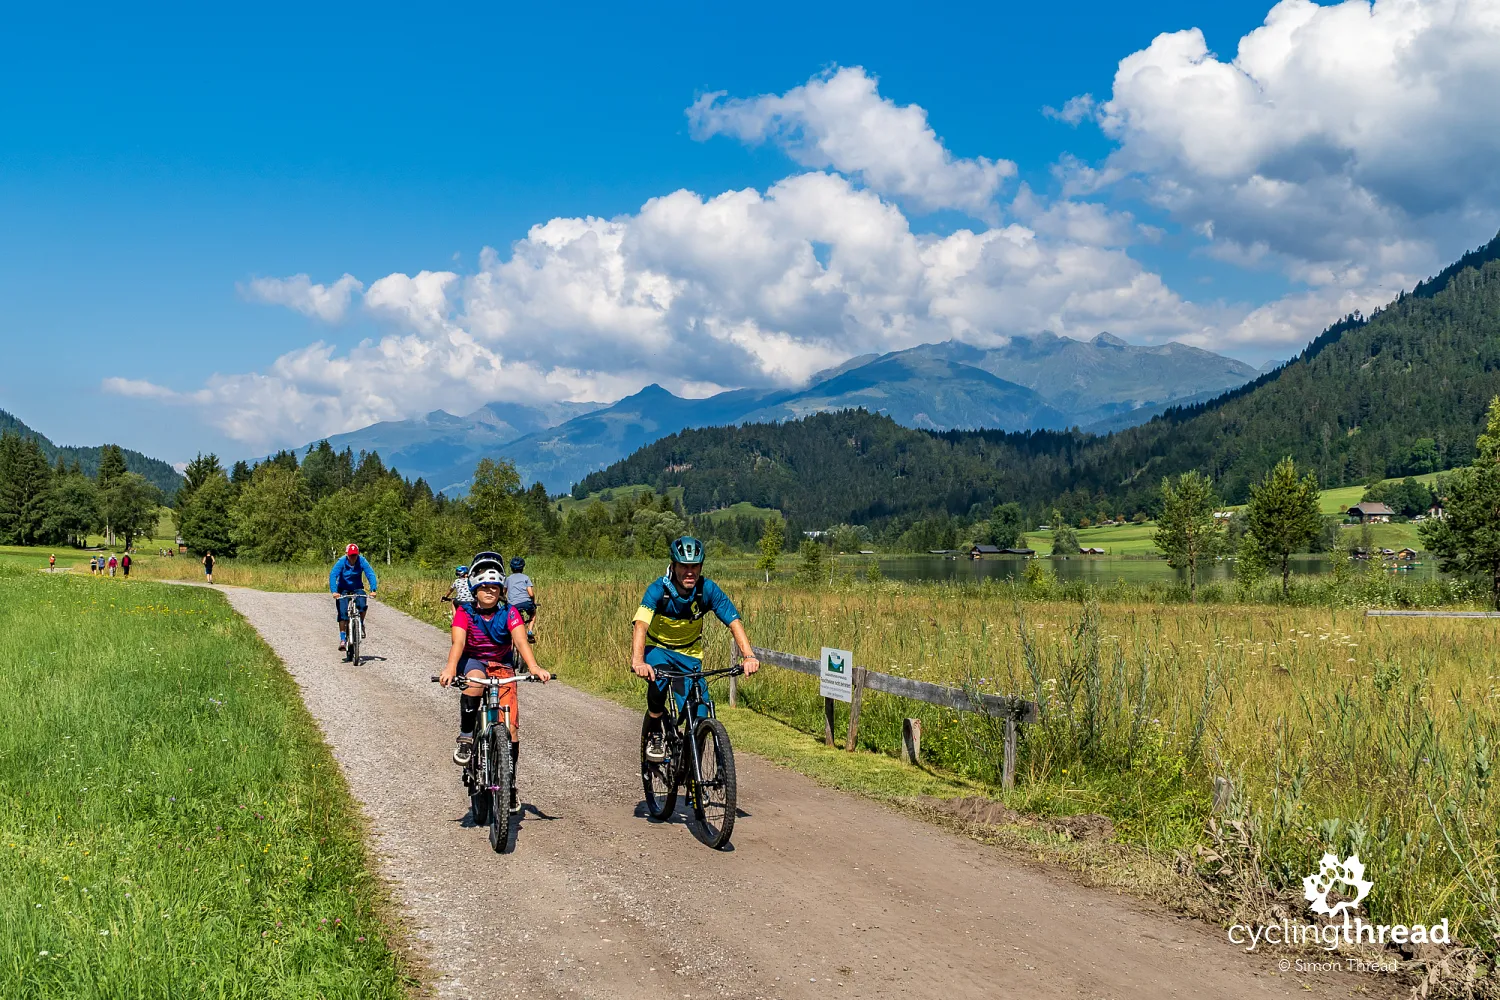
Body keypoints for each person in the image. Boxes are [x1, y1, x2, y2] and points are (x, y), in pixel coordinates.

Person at [630, 535, 759, 763]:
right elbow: (641, 625)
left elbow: (733, 622)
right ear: (673, 566)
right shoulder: (658, 589)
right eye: (684, 566)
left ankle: (692, 772)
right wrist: (639, 661)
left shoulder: (707, 590)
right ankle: (655, 731)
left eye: (695, 566)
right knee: (658, 684)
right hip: (658, 649)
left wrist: (748, 656)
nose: (690, 572)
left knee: (700, 715)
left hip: (689, 655)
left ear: (701, 567)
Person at [438, 553, 550, 811]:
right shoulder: (465, 612)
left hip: (502, 665)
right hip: (474, 661)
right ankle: (467, 738)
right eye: (484, 587)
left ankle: (509, 783)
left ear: (501, 590)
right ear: (475, 589)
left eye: (495, 587)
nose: (489, 591)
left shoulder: (510, 612)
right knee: (475, 683)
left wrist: (534, 667)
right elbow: (458, 643)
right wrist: (451, 668)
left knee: (511, 729)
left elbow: (520, 641)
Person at [328, 544, 378, 652]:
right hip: (343, 589)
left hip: (357, 588)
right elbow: (333, 575)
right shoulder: (341, 561)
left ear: (358, 554)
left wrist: (373, 589)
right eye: (351, 555)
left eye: (355, 555)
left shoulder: (362, 561)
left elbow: (370, 574)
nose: (353, 558)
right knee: (343, 613)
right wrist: (334, 591)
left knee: (362, 605)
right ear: (347, 554)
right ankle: (343, 639)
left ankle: (361, 624)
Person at [507, 557, 536, 630]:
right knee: (533, 613)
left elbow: (503, 592)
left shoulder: (508, 579)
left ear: (511, 568)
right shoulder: (526, 577)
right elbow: (531, 594)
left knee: (512, 617)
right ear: (522, 568)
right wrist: (533, 602)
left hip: (513, 604)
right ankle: (530, 630)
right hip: (526, 603)